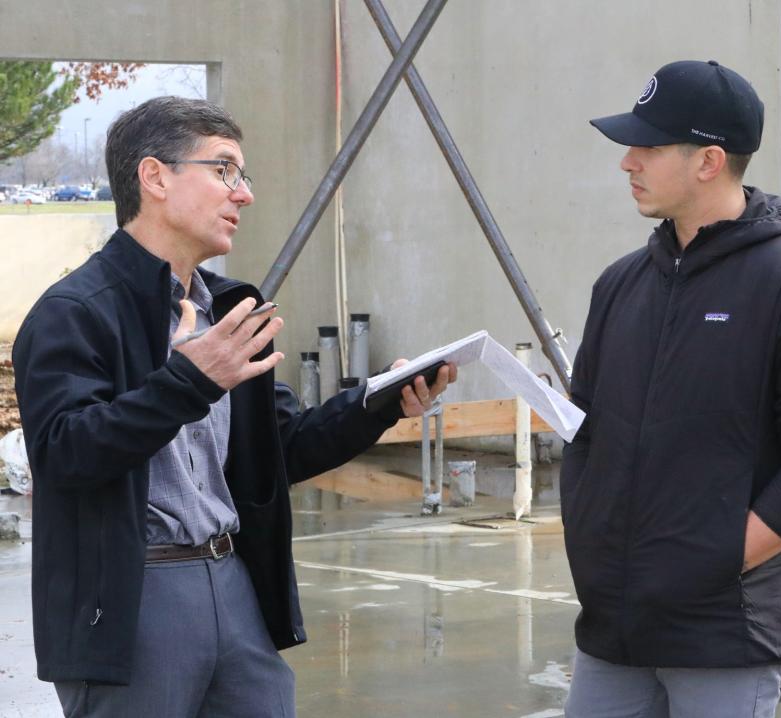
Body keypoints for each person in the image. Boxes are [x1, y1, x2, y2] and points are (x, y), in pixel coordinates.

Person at [13, 95, 455, 717]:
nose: (242, 193)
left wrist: (378, 404)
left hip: (233, 582)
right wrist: (189, 381)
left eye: (242, 176)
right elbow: (66, 456)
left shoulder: (231, 311)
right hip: (134, 596)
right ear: (155, 176)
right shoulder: (76, 313)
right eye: (223, 170)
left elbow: (283, 446)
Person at [560, 60, 781, 718]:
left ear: (708, 161)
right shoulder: (621, 285)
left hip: (723, 633)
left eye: (648, 146)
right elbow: (582, 427)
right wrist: (590, 540)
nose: (628, 162)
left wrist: (723, 557)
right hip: (613, 629)